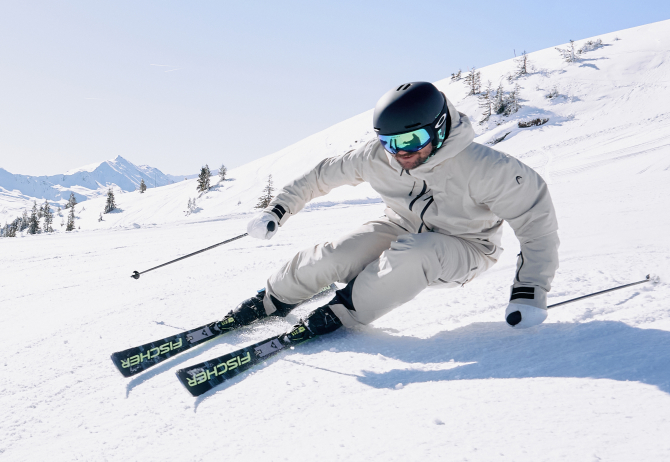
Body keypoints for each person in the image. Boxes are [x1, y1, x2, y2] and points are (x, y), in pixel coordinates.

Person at [225, 81, 559, 336]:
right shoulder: (377, 157)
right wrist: (277, 210)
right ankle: (274, 297)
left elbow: (537, 225)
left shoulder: (489, 168)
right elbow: (321, 176)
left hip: (467, 247)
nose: (401, 153)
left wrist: (529, 291)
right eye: (391, 143)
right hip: (399, 226)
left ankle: (347, 310)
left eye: (411, 141)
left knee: (415, 254)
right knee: (336, 255)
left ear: (439, 127)